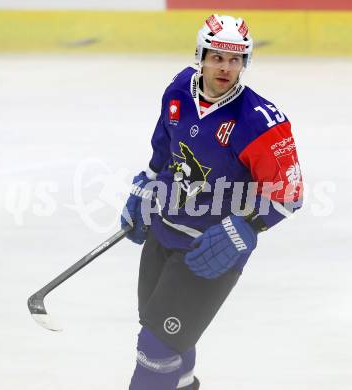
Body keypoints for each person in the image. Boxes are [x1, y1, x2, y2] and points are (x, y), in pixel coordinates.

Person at [121, 14, 303, 390]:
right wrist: (148, 185)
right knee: (164, 336)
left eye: (235, 59)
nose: (225, 67)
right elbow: (164, 148)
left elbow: (290, 192)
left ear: (245, 63)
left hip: (212, 248)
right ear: (200, 56)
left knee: (154, 347)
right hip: (164, 230)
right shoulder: (177, 91)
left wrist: (250, 224)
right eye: (217, 57)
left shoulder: (260, 123)